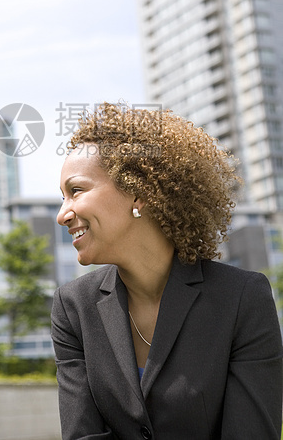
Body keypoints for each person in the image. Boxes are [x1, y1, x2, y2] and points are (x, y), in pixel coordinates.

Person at [51, 103, 283, 440]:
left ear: (137, 192)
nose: (63, 214)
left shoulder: (242, 299)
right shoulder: (73, 308)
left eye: (76, 191)